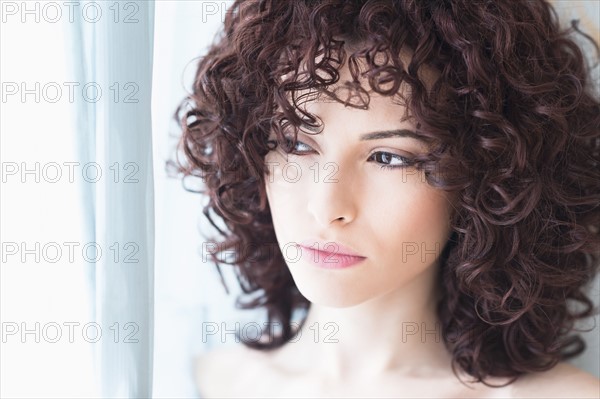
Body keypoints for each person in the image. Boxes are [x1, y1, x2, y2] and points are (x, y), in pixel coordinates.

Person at [171, 0, 600, 397]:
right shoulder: (186, 382)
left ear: (486, 179)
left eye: (388, 158)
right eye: (296, 145)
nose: (326, 208)